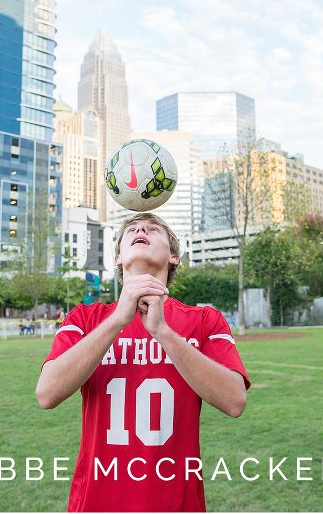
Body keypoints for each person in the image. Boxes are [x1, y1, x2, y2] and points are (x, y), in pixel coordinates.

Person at [36, 213, 249, 512]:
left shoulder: (204, 321)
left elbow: (234, 401)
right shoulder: (84, 319)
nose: (141, 229)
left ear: (174, 256)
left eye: (153, 229)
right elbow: (46, 394)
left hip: (175, 503)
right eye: (133, 229)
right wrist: (118, 320)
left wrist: (162, 332)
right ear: (119, 258)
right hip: (97, 502)